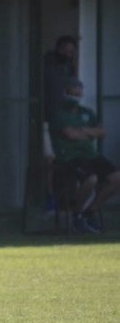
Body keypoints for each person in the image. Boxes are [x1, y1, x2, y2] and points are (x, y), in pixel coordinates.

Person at [50, 78, 119, 233]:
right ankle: (76, 214)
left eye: (78, 94)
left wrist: (84, 132)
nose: (75, 98)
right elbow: (71, 135)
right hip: (69, 156)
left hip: (90, 154)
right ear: (64, 94)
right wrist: (89, 132)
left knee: (116, 178)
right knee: (91, 179)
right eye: (72, 94)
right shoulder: (59, 115)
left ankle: (89, 213)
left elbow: (102, 132)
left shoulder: (87, 112)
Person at [42, 36, 78, 212]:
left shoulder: (69, 68)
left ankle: (66, 198)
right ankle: (50, 197)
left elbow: (74, 90)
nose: (67, 54)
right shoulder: (46, 64)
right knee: (49, 160)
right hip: (46, 119)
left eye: (71, 52)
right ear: (57, 48)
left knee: (66, 161)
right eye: (64, 50)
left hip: (64, 121)